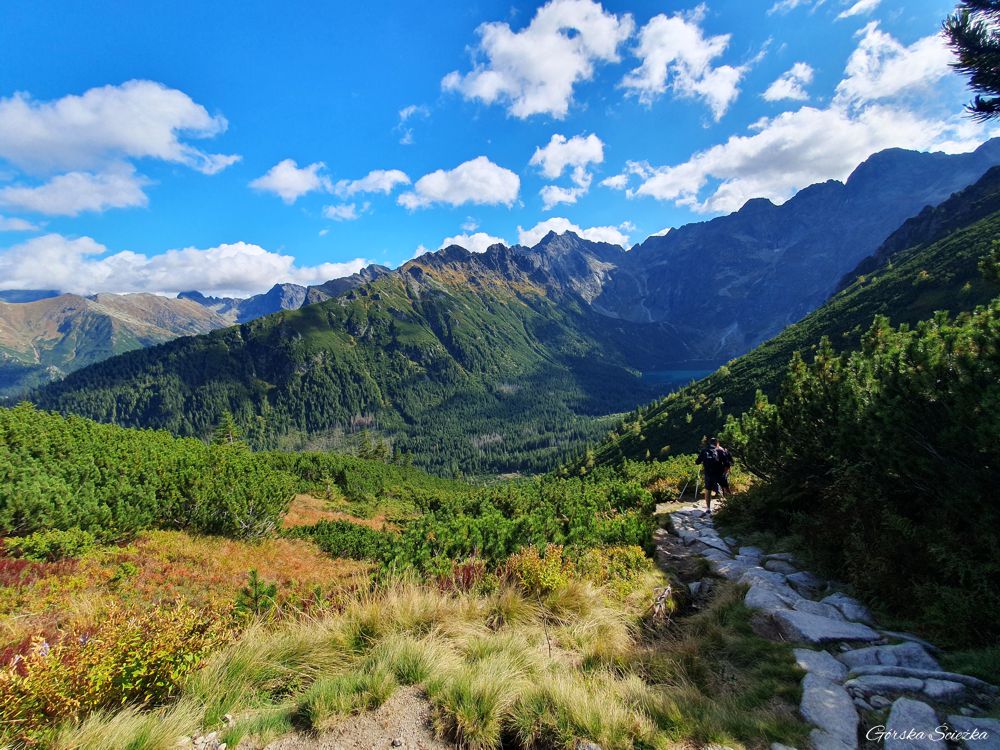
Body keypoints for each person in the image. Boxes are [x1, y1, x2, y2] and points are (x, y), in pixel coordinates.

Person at [695, 437, 733, 513]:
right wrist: (725, 474)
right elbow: (727, 464)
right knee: (726, 488)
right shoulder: (720, 450)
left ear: (710, 443)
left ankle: (708, 508)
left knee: (708, 490)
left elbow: (697, 462)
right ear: (717, 443)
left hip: (708, 474)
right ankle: (731, 504)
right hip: (719, 473)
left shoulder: (704, 450)